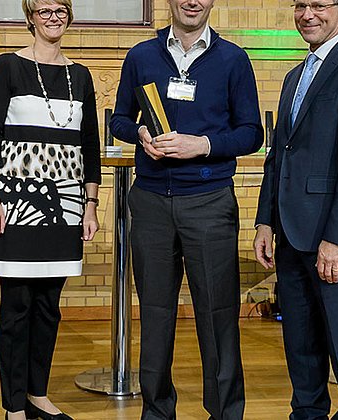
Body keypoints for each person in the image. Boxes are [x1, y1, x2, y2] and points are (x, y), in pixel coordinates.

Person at [110, 1, 263, 418]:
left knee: (218, 317)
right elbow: (118, 120)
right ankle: (157, 412)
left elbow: (253, 132)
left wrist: (204, 145)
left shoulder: (233, 59)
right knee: (156, 317)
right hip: (151, 202)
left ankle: (225, 413)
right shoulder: (142, 55)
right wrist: (138, 132)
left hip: (210, 202)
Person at [254, 1, 338, 419]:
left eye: (320, 5)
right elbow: (280, 153)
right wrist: (264, 220)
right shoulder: (296, 74)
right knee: (302, 349)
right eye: (301, 5)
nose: (308, 14)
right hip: (292, 236)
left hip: (334, 242)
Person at [0, 0, 100, 419]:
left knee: (49, 306)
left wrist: (90, 204)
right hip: (14, 203)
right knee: (16, 307)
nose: (53, 17)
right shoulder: (7, 66)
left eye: (60, 9)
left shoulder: (80, 75)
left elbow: (90, 147)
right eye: (44, 9)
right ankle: (13, 406)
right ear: (30, 16)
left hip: (64, 204)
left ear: (69, 15)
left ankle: (37, 394)